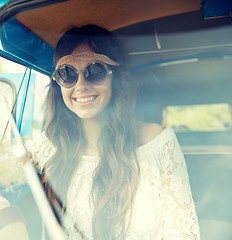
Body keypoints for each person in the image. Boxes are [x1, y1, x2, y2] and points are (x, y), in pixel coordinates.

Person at [28, 25, 200, 240]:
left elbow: (183, 234)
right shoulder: (49, 145)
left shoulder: (158, 141)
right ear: (58, 84)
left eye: (95, 70)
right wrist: (6, 217)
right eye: (68, 74)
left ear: (115, 78)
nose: (80, 85)